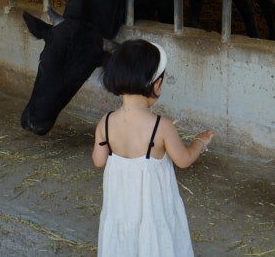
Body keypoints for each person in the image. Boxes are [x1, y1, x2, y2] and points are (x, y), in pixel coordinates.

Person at [92, 39, 214, 257]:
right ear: (156, 84)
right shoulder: (161, 127)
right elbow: (184, 160)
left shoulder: (106, 122)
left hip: (120, 208)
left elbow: (99, 161)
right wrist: (200, 142)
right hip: (152, 210)